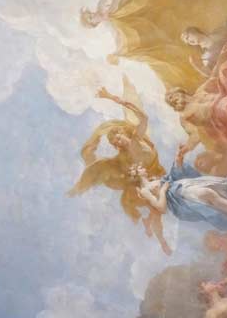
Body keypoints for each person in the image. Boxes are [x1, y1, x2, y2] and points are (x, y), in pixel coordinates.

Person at [69, 84, 171, 253]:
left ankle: (154, 230)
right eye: (114, 142)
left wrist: (110, 97)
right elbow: (108, 170)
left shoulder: (137, 137)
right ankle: (161, 240)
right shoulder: (123, 159)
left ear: (123, 132)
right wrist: (132, 177)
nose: (117, 142)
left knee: (157, 208)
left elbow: (144, 117)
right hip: (150, 181)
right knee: (155, 208)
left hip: (159, 174)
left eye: (118, 137)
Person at [165, 47, 227, 176]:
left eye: (172, 96)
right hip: (221, 114)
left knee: (225, 70)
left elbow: (213, 76)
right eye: (171, 101)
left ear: (180, 91)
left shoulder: (199, 92)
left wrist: (222, 56)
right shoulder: (185, 116)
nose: (173, 99)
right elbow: (195, 135)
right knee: (225, 106)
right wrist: (185, 149)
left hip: (225, 95)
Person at [135, 145, 227, 242]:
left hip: (182, 186)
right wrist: (163, 190)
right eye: (140, 168)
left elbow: (172, 177)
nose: (144, 168)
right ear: (136, 174)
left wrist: (177, 161)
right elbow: (161, 207)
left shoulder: (154, 181)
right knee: (208, 194)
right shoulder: (145, 190)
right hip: (180, 198)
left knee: (211, 193)